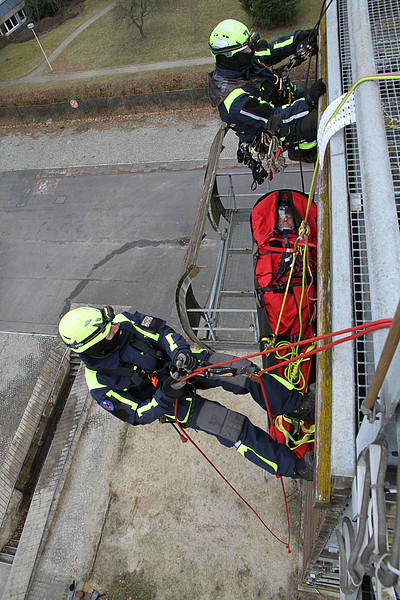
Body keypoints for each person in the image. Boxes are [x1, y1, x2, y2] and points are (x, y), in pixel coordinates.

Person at [58, 305, 316, 480]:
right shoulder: (99, 385)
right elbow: (136, 414)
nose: (114, 327)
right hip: (172, 403)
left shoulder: (122, 321)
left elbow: (161, 332)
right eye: (108, 331)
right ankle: (297, 467)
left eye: (111, 324)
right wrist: (166, 396)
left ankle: (300, 407)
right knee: (234, 428)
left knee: (244, 372)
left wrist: (180, 354)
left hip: (183, 365)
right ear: (95, 347)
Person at [207, 19, 326, 162]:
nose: (250, 50)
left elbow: (271, 50)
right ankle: (302, 152)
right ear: (228, 57)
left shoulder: (242, 60)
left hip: (278, 102)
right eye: (245, 49)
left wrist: (297, 38)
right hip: (272, 126)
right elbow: (274, 118)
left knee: (317, 95)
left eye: (249, 45)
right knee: (316, 119)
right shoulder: (235, 101)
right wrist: (308, 101)